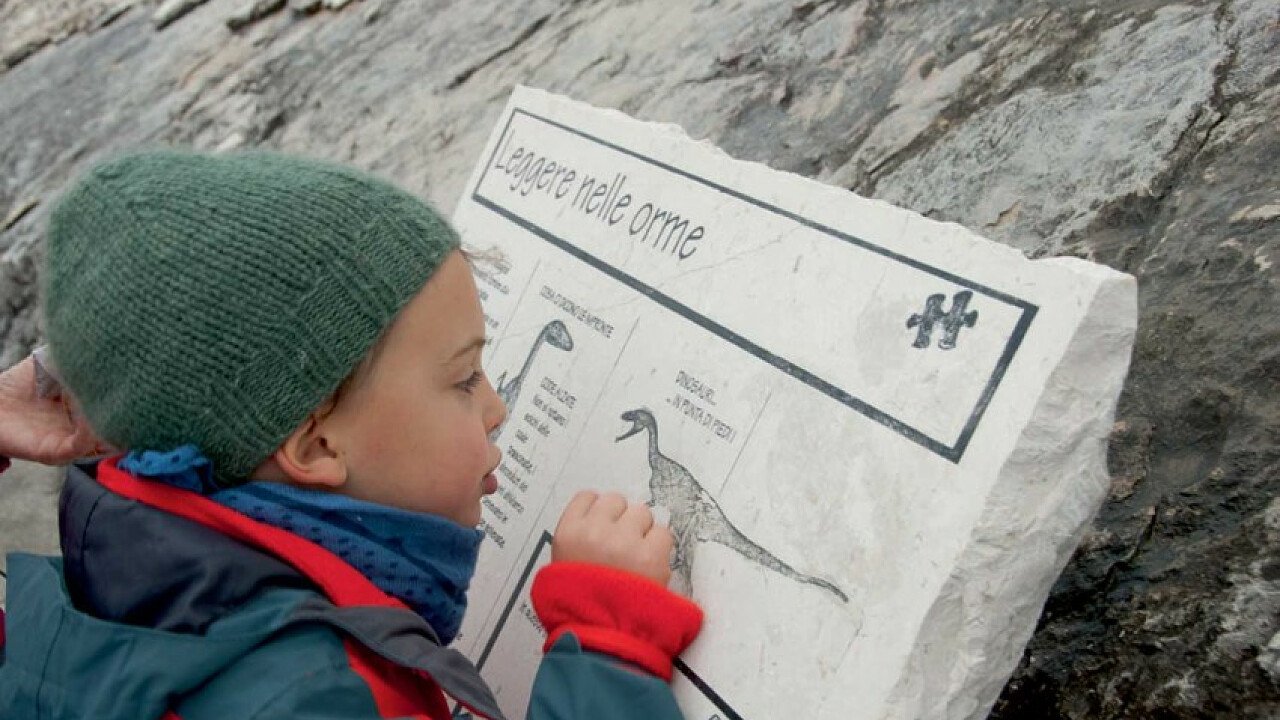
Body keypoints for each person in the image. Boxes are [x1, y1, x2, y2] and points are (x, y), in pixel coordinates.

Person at [0, 150, 703, 719]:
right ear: (315, 447)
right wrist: (608, 647)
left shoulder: (128, 567)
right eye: (462, 380)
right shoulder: (313, 697)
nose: (497, 407)